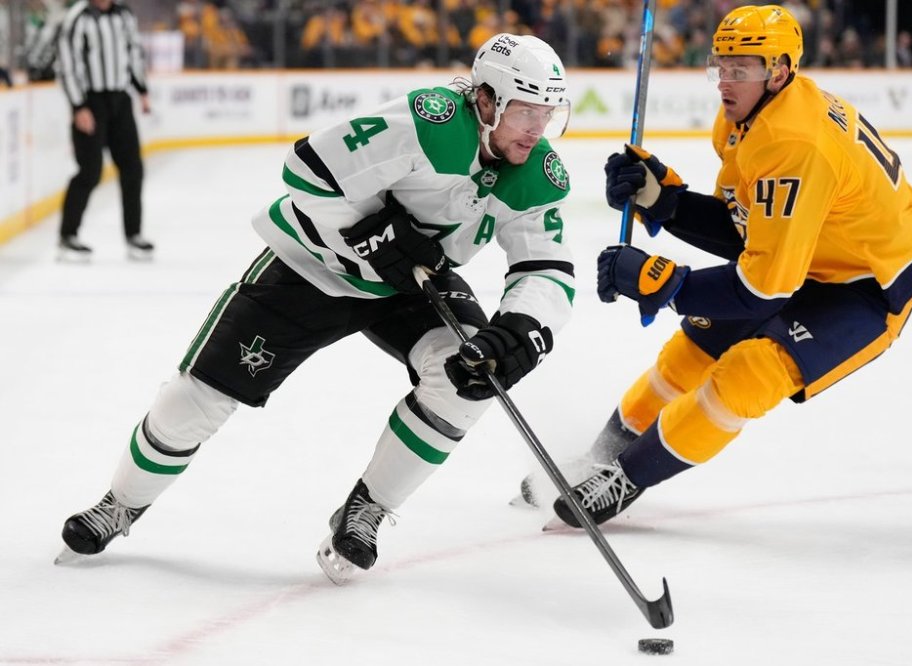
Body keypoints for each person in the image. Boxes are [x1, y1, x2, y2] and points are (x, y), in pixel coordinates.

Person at [56, 34, 575, 583]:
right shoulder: (431, 122)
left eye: (549, 113)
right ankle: (122, 502)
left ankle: (366, 508)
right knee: (197, 399)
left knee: (470, 376)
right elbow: (307, 170)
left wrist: (522, 329)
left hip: (412, 284)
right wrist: (374, 233)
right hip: (314, 267)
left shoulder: (538, 173)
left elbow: (547, 269)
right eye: (525, 111)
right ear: (488, 101)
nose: (538, 128)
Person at [518, 5, 912, 528]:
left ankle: (627, 475)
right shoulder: (746, 116)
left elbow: (762, 289)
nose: (726, 82)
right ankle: (597, 457)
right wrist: (664, 199)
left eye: (743, 69)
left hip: (869, 284)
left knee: (749, 373)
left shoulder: (794, 143)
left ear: (779, 71)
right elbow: (744, 230)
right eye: (722, 66)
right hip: (812, 254)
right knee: (689, 354)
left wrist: (662, 282)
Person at [56, 0, 153, 260]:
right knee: (89, 171)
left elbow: (133, 52)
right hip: (91, 102)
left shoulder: (123, 14)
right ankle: (68, 236)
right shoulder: (77, 17)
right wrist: (79, 106)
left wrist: (142, 90)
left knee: (133, 168)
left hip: (120, 101)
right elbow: (67, 65)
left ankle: (134, 235)